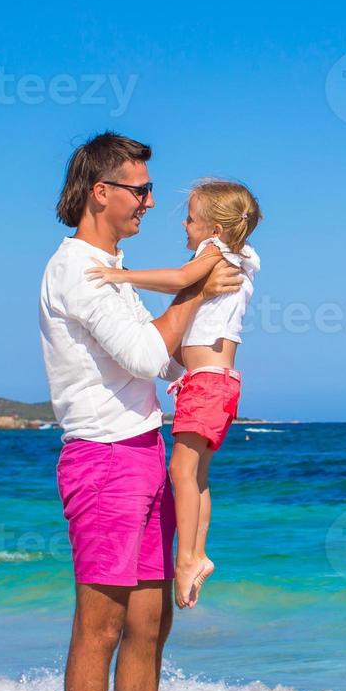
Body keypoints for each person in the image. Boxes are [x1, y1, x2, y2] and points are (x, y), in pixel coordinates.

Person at [38, 132, 242, 691]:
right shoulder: (78, 271)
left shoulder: (112, 267)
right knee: (99, 629)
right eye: (141, 190)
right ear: (102, 191)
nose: (151, 202)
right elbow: (146, 354)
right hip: (101, 461)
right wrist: (198, 285)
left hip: (144, 453)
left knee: (150, 627)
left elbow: (172, 356)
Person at [87, 179, 262, 609]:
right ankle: (197, 553)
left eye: (190, 218)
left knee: (181, 473)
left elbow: (179, 278)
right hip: (218, 384)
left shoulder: (214, 253)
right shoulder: (242, 256)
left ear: (215, 229)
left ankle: (186, 559)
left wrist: (120, 275)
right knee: (197, 475)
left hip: (205, 384)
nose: (183, 224)